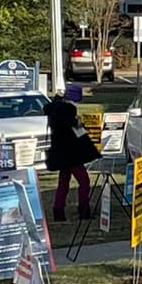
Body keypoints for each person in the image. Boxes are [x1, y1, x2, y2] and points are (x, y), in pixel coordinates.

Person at [44, 87, 100, 222]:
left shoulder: (54, 109)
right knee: (84, 181)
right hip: (71, 154)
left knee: (63, 182)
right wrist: (76, 122)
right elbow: (71, 131)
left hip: (60, 153)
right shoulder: (67, 111)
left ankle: (58, 212)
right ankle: (84, 210)